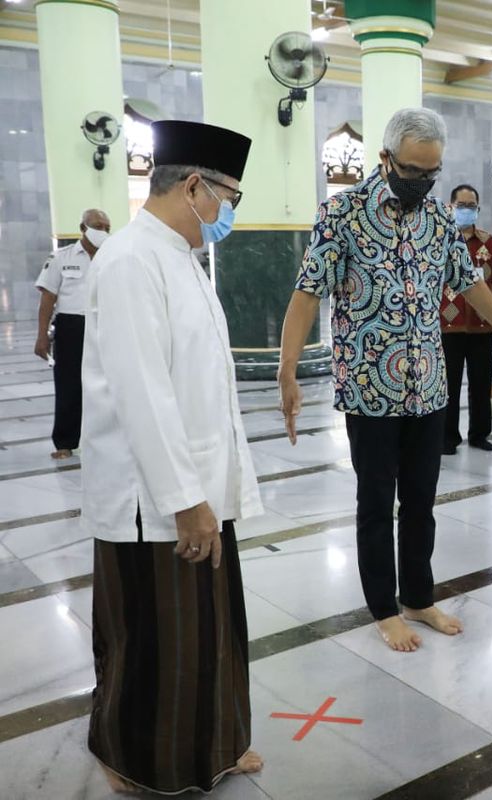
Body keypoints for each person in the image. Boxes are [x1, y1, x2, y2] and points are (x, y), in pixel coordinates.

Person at [277, 108, 492, 654]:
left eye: (431, 173)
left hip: (428, 388)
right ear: (386, 158)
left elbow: (468, 283)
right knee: (376, 503)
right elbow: (306, 293)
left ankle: (417, 595)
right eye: (413, 171)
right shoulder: (341, 214)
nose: (421, 183)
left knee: (421, 501)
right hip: (370, 389)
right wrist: (287, 368)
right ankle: (384, 608)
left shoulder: (439, 220)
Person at [81, 120, 263, 794]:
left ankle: (212, 746)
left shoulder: (181, 258)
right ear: (193, 186)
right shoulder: (130, 260)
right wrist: (185, 501)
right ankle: (136, 760)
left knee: (208, 635)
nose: (228, 214)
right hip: (154, 501)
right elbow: (143, 395)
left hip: (201, 491)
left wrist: (209, 494)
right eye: (228, 198)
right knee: (155, 644)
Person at [33, 208, 111, 459]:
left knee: (106, 385)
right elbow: (47, 298)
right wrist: (42, 335)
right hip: (71, 328)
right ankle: (65, 442)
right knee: (69, 385)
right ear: (83, 228)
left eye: (107, 227)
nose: (103, 231)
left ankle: (104, 439)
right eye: (98, 226)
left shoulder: (113, 257)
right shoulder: (60, 258)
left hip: (105, 325)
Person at [442, 183, 492, 454]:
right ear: (451, 206)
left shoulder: (488, 242)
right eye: (462, 205)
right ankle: (447, 438)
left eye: (471, 206)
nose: (466, 210)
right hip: (448, 325)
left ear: (478, 209)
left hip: (482, 326)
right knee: (449, 386)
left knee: (481, 384)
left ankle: (479, 434)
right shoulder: (442, 239)